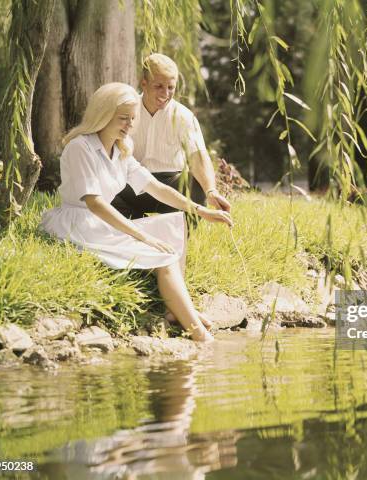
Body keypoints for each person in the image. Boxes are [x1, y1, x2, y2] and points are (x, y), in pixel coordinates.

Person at [41, 82, 232, 342]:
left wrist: (201, 211)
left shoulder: (121, 149)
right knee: (161, 253)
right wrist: (142, 236)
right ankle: (199, 335)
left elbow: (156, 187)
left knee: (173, 225)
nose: (130, 125)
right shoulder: (80, 147)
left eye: (132, 118)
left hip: (101, 222)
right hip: (82, 222)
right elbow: (95, 203)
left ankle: (176, 309)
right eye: (123, 118)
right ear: (103, 114)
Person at [111, 53, 231, 220]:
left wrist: (211, 191)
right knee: (106, 185)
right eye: (159, 86)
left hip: (172, 187)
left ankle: (181, 233)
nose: (165, 93)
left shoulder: (184, 116)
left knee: (195, 185)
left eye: (170, 87)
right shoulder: (126, 112)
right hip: (132, 183)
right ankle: (134, 226)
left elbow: (198, 156)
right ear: (144, 83)